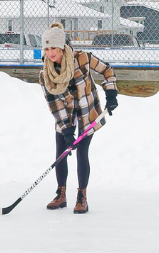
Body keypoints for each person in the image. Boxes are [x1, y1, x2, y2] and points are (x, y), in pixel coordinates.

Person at [38, 23, 118, 214]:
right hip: (65, 116)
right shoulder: (46, 74)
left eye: (53, 48)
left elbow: (107, 70)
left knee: (82, 151)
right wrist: (66, 130)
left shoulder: (82, 58)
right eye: (47, 49)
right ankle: (61, 194)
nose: (50, 53)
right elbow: (54, 104)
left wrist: (111, 93)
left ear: (62, 47)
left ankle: (82, 196)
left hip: (85, 113)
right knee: (61, 153)